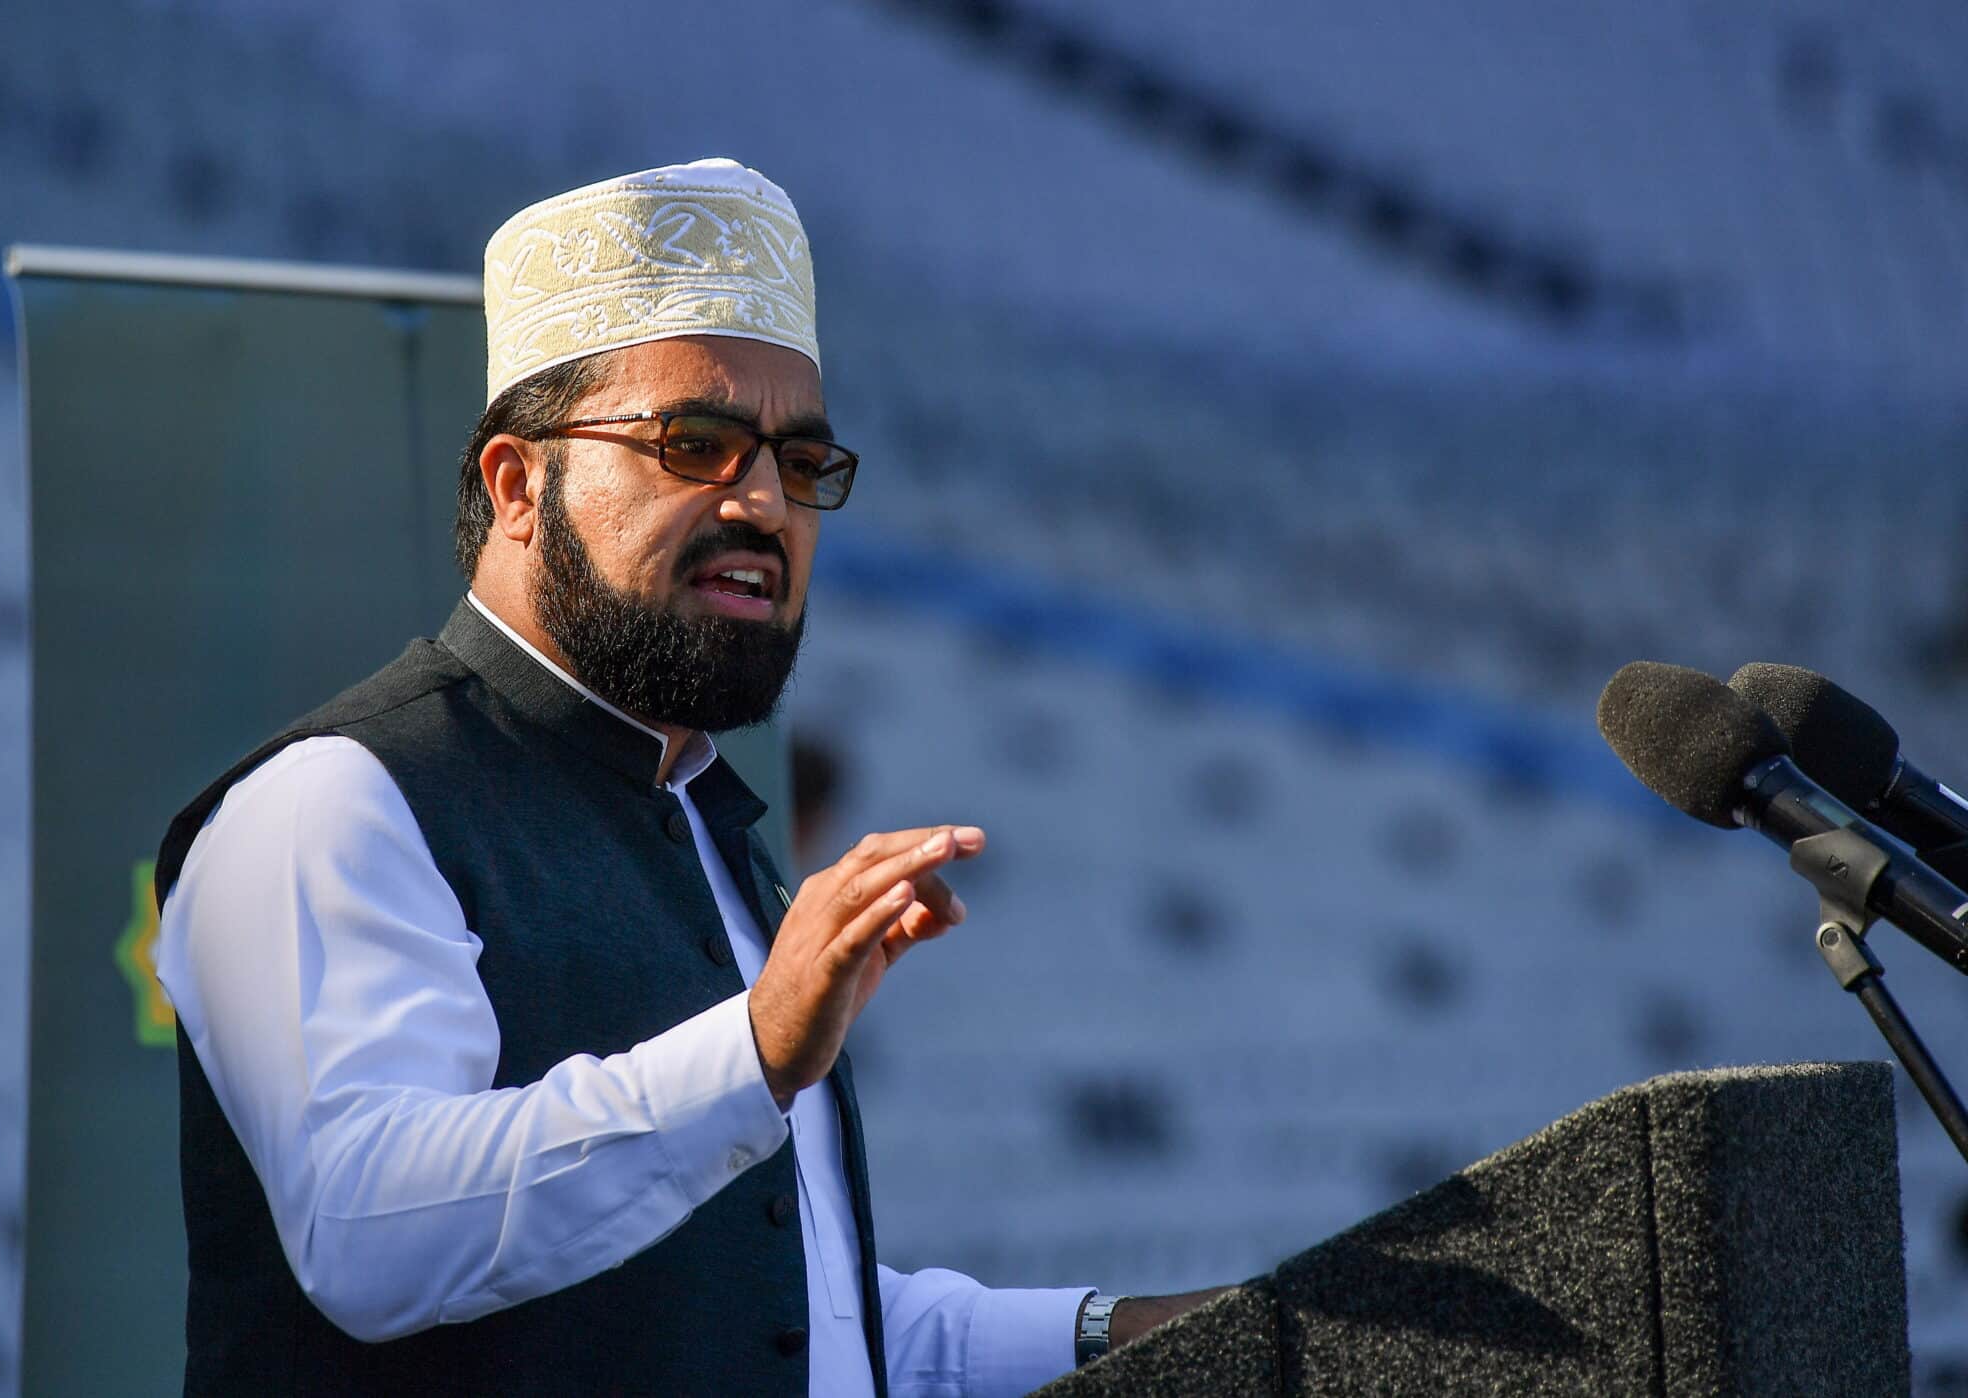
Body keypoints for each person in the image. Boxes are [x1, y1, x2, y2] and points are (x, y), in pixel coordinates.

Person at [154, 158, 1225, 1396]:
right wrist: (758, 1045)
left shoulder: (702, 826)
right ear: (517, 485)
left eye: (800, 463)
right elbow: (372, 1233)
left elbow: (776, 1321)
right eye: (695, 444)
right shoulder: (337, 798)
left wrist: (1146, 1338)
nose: (763, 502)